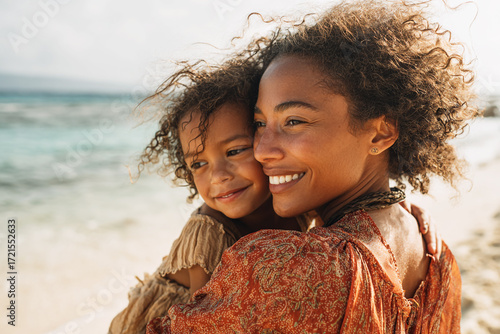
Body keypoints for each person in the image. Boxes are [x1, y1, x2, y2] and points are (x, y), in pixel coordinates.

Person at [146, 0, 478, 333]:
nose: (261, 151)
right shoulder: (437, 256)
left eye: (293, 121)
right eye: (259, 124)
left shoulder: (290, 267)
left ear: (381, 132)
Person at [109, 57, 437, 333]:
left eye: (237, 149)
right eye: (198, 164)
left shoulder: (302, 211)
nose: (218, 175)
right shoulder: (210, 230)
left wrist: (396, 201)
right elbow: (199, 321)